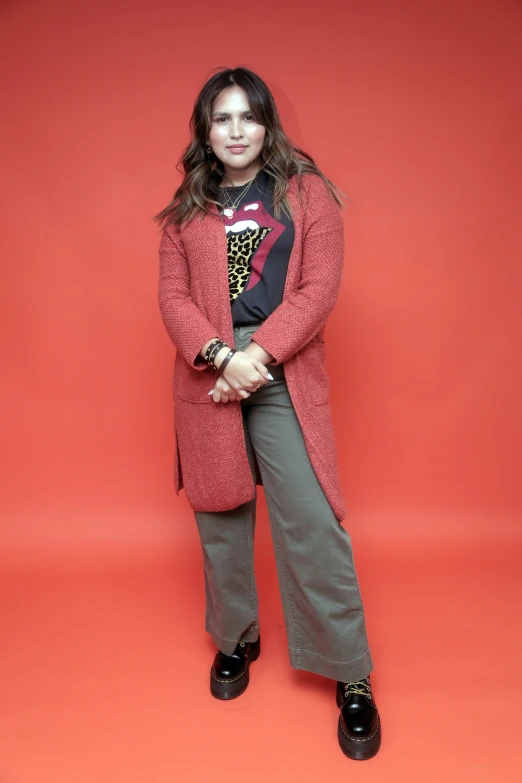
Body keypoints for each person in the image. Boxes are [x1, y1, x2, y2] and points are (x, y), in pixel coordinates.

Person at [155, 66, 381, 761]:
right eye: (221, 119)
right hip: (213, 367)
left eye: (246, 117)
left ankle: (351, 671)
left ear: (266, 123)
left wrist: (259, 357)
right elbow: (173, 297)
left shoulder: (306, 193)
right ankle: (236, 638)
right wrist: (223, 355)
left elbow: (318, 290)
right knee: (221, 517)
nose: (235, 131)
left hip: (280, 366)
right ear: (205, 130)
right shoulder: (187, 209)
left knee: (311, 521)